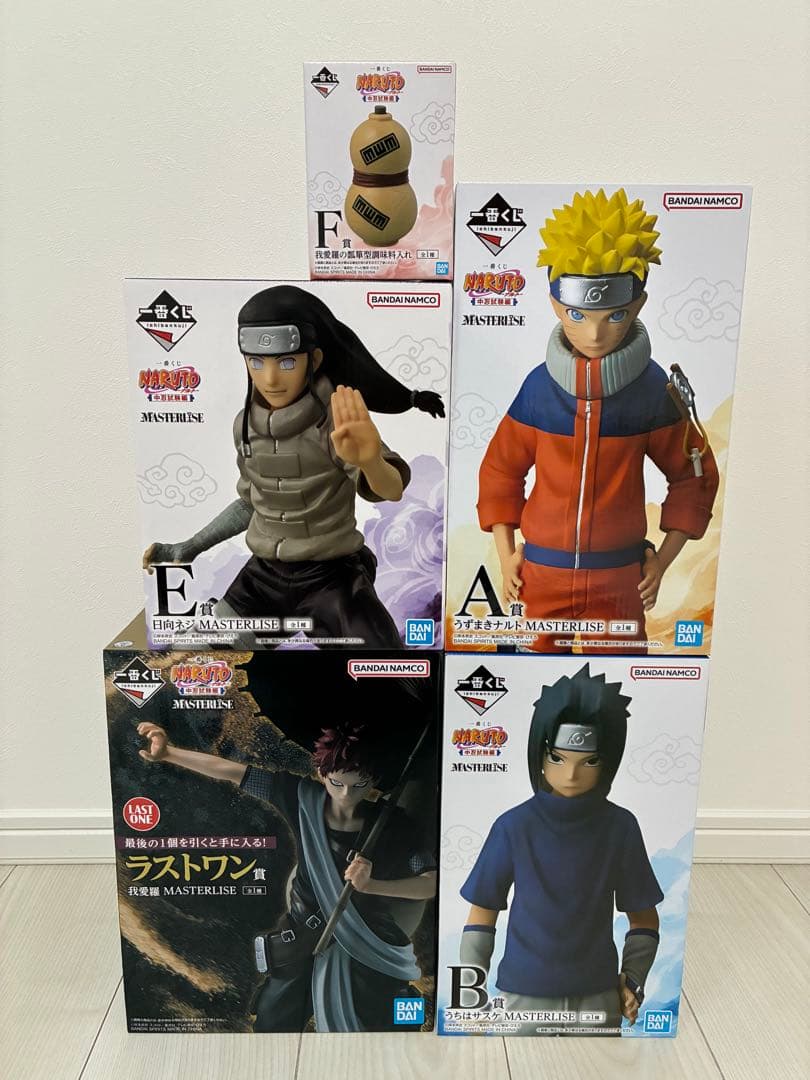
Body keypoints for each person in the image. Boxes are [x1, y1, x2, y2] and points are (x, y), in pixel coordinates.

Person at [477, 188, 719, 652]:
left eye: (614, 315)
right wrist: (507, 557)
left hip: (620, 579)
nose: (593, 333)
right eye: (577, 314)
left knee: (619, 676)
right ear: (555, 306)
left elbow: (694, 477)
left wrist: (662, 561)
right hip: (540, 575)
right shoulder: (538, 388)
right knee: (527, 677)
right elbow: (500, 471)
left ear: (639, 304)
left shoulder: (654, 390)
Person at [144, 285, 444, 647]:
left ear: (313, 361)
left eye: (286, 363)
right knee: (191, 657)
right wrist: (189, 547)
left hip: (331, 579)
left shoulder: (336, 419)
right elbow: (251, 504)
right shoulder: (245, 426)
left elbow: (391, 489)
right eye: (257, 363)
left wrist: (370, 461)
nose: (270, 379)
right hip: (263, 580)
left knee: (384, 667)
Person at [138, 719, 437, 1032]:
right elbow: (232, 772)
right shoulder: (300, 798)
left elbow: (430, 883)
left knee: (390, 1028)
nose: (347, 794)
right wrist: (169, 753)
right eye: (337, 783)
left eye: (359, 785)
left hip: (371, 945)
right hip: (302, 936)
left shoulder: (393, 825)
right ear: (322, 773)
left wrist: (372, 885)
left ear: (373, 779)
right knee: (273, 1024)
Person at [459, 663, 663, 1035]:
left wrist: (632, 980)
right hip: (522, 995)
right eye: (558, 757)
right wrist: (470, 996)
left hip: (598, 996)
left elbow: (644, 918)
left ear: (607, 762)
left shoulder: (620, 826)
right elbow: (481, 915)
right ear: (540, 753)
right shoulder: (513, 826)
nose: (571, 774)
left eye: (589, 761)